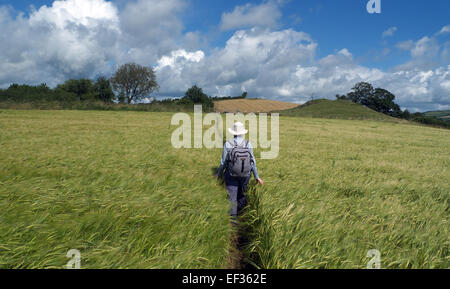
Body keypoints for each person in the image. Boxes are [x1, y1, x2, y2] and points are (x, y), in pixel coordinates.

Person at [215, 122, 263, 218]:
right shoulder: (248, 144)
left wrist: (219, 175)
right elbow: (253, 162)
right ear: (242, 132)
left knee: (232, 197)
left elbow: (223, 163)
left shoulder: (228, 144)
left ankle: (233, 221)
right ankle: (242, 216)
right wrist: (257, 177)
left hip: (231, 174)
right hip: (246, 175)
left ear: (233, 132)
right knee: (243, 195)